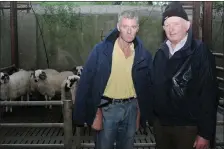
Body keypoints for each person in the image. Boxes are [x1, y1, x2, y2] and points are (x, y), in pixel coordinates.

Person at [72, 10, 153, 149]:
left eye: (133, 27)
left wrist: (142, 113)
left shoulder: (143, 55)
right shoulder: (101, 51)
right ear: (118, 27)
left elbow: (147, 86)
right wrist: (88, 114)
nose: (129, 31)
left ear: (137, 29)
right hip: (107, 108)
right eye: (125, 26)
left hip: (131, 109)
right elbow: (86, 81)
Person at [150, 2, 218, 149]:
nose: (171, 28)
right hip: (161, 127)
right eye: (167, 25)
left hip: (188, 129)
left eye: (176, 23)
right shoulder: (160, 53)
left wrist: (205, 133)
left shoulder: (200, 52)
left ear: (187, 25)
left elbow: (209, 94)